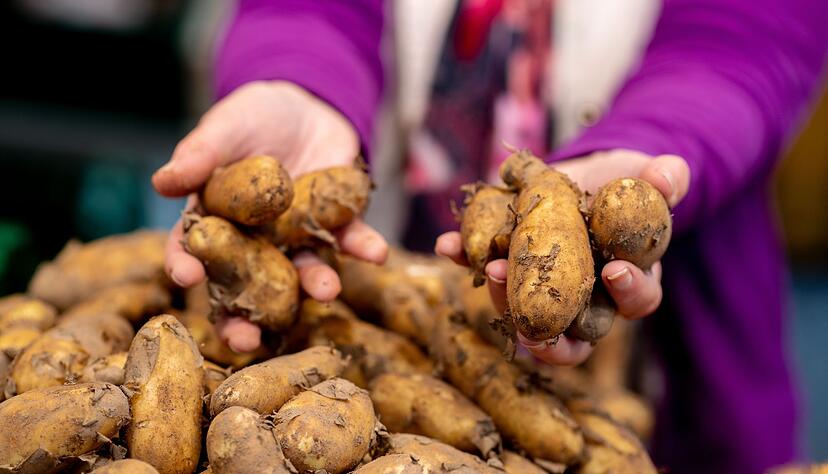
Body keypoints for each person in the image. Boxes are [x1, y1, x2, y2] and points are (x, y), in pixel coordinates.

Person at [151, 1, 828, 472]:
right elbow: (305, 8)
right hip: (367, 303)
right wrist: (303, 88)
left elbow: (745, 40)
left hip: (676, 372)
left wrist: (641, 155)